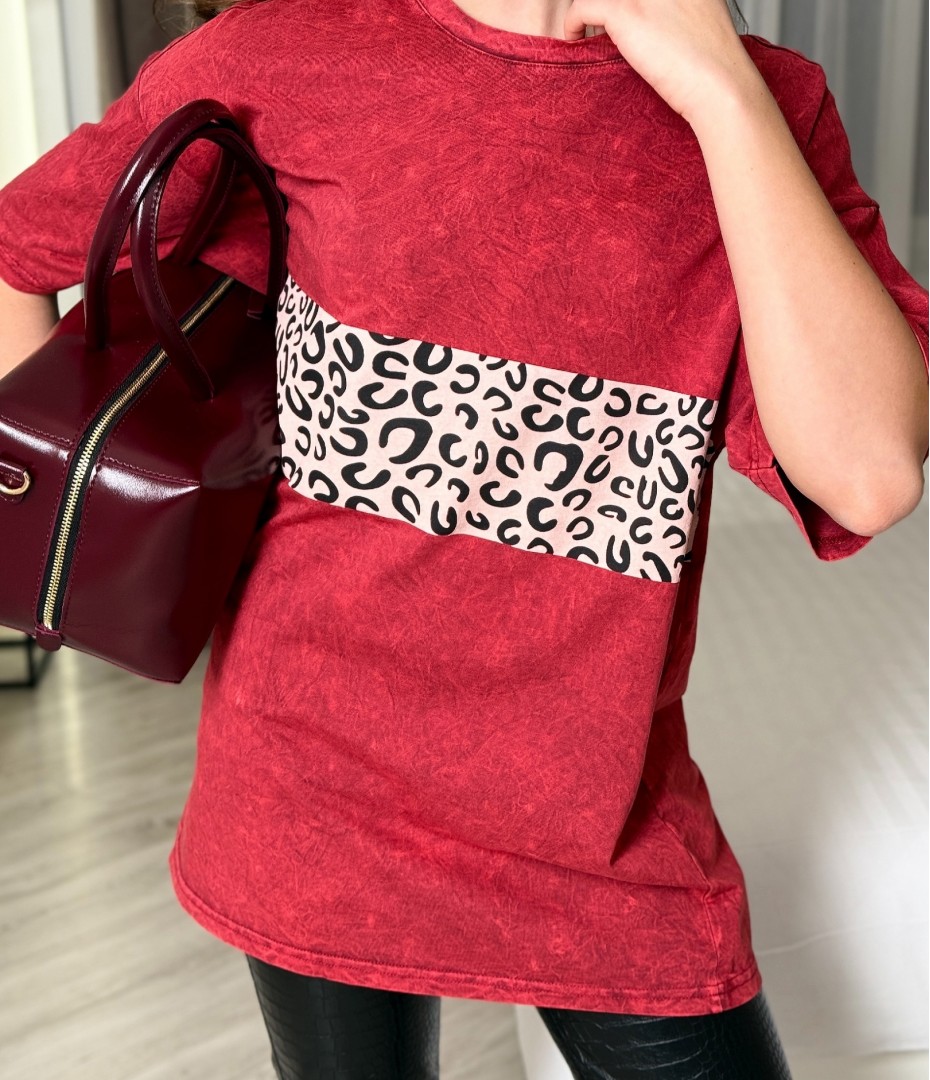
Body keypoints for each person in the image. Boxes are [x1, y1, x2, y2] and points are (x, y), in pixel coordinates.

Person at [0, 0, 927, 1076]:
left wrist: (723, 95)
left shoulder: (770, 104)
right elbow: (20, 248)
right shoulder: (289, 50)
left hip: (599, 829)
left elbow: (869, 476)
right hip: (313, 789)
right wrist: (67, 502)